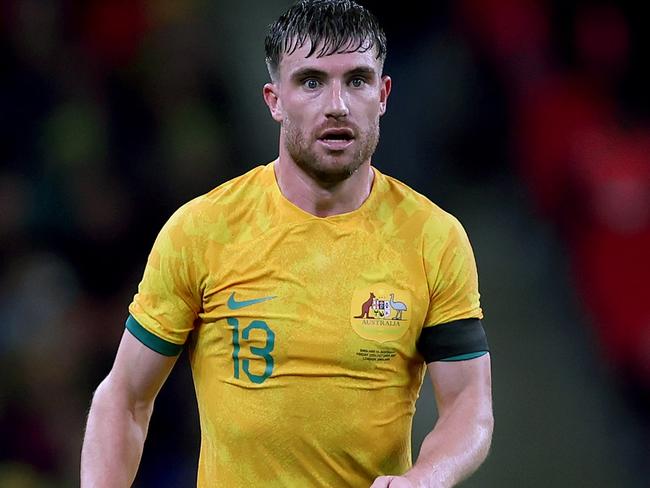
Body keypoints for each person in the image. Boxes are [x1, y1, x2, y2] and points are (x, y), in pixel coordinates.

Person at [80, 0, 493, 486]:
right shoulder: (203, 229)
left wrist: (426, 478)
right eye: (312, 81)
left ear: (382, 94)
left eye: (357, 80)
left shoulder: (433, 238)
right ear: (274, 99)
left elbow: (469, 405)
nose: (336, 105)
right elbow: (124, 399)